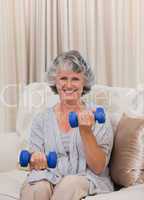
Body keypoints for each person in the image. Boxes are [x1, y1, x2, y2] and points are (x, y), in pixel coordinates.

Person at [20, 50, 114, 200]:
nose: (69, 85)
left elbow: (98, 167)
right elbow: (34, 164)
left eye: (75, 79)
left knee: (69, 184)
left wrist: (85, 131)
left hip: (86, 178)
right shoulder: (41, 119)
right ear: (55, 82)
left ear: (85, 83)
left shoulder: (98, 116)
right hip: (50, 174)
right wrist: (35, 160)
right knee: (36, 186)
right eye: (63, 78)